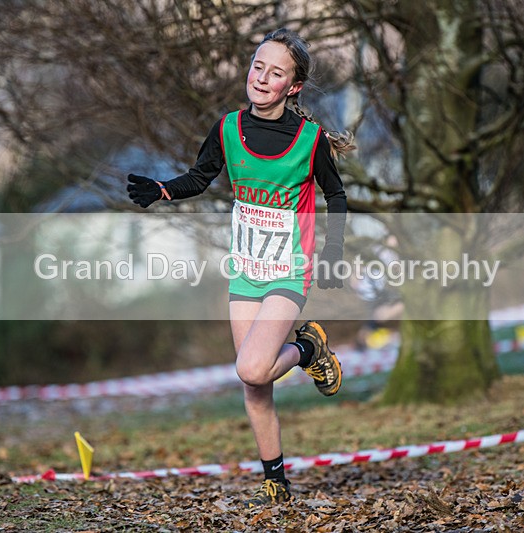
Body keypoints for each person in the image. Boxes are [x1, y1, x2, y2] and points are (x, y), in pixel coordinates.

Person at [127, 28, 353, 507]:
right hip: (246, 269)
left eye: (276, 72)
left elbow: (336, 193)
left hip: (290, 269)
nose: (262, 77)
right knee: (254, 383)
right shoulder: (228, 128)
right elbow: (200, 177)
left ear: (292, 87)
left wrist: (332, 251)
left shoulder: (309, 140)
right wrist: (163, 191)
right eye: (258, 66)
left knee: (251, 366)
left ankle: (309, 348)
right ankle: (276, 479)